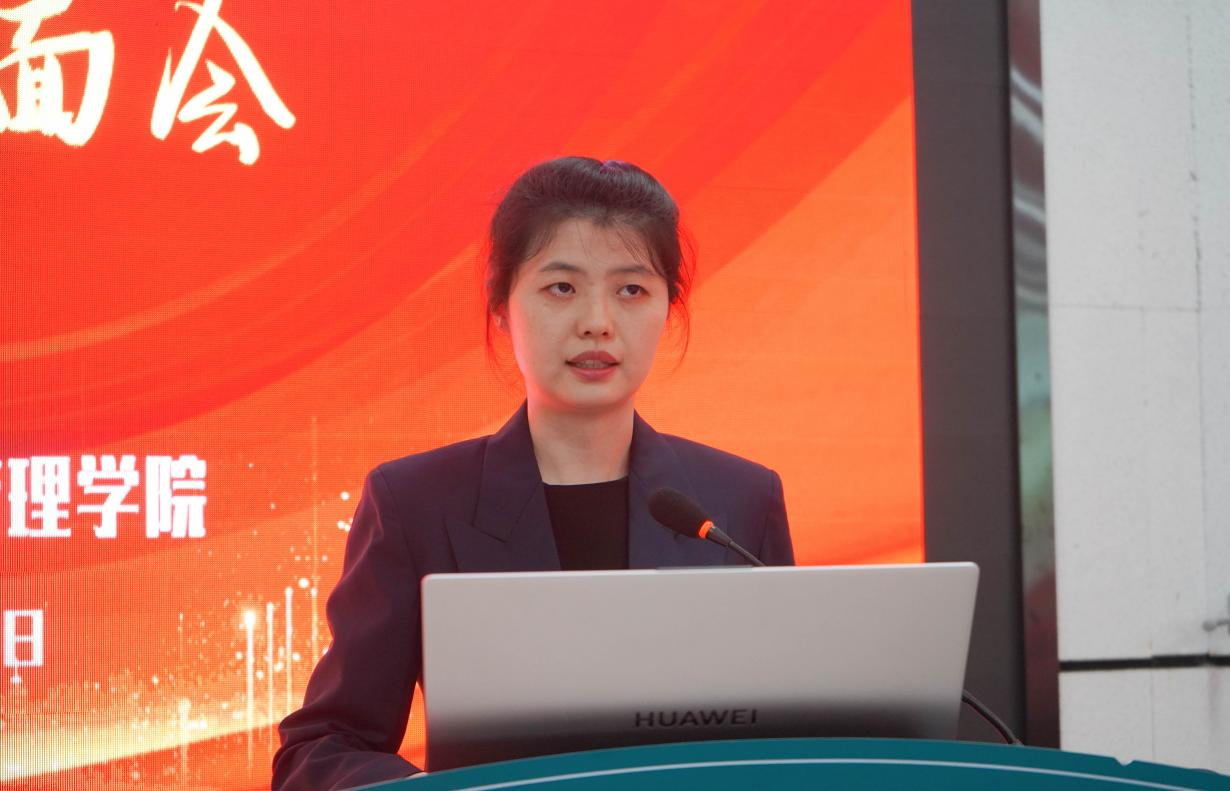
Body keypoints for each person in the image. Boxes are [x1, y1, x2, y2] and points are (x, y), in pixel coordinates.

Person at [272, 157, 794, 790]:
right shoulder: (415, 503)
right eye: (562, 288)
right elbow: (323, 747)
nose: (597, 321)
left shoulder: (739, 501)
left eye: (631, 290)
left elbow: (794, 738)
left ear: (668, 307)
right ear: (501, 307)